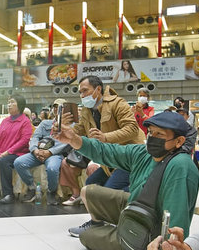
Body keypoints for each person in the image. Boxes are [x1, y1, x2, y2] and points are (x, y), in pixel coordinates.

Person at [54, 112, 199, 250]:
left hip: (150, 233)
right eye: (150, 132)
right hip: (138, 209)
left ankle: (129, 240)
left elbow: (176, 217)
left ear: (179, 141)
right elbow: (106, 152)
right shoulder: (144, 153)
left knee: (87, 236)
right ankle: (112, 227)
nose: (152, 137)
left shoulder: (180, 166)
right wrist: (73, 139)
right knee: (89, 191)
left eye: (160, 134)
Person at [59, 75, 144, 207]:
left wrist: (105, 137)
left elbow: (132, 129)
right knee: (91, 185)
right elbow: (79, 130)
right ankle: (97, 221)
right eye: (80, 92)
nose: (82, 95)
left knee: (109, 191)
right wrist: (64, 129)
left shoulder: (117, 103)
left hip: (129, 159)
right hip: (108, 159)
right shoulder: (87, 110)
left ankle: (120, 217)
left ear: (98, 89)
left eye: (85, 90)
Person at [14, 98, 71, 205]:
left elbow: (65, 143)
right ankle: (32, 188)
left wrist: (49, 152)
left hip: (55, 154)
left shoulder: (70, 126)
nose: (56, 109)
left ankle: (51, 191)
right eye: (54, 107)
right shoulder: (45, 123)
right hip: (39, 152)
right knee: (18, 162)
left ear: (66, 110)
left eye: (59, 107)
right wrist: (35, 150)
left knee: (52, 169)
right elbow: (35, 137)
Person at [0, 94, 32, 203]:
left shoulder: (25, 121)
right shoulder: (5, 121)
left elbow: (24, 140)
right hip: (1, 152)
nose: (9, 105)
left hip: (17, 153)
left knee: (4, 161)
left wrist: (9, 152)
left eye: (12, 102)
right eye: (8, 102)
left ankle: (8, 194)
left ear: (20, 105)